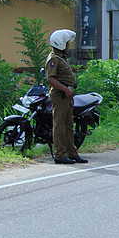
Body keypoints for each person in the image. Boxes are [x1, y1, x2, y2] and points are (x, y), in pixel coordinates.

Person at [44, 29, 87, 164]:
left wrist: (69, 93)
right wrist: (65, 90)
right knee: (60, 125)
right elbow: (51, 79)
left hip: (66, 95)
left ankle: (71, 152)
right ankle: (60, 154)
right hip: (59, 95)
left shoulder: (61, 58)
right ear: (61, 43)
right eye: (67, 43)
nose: (69, 46)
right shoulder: (53, 59)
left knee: (69, 125)